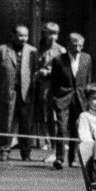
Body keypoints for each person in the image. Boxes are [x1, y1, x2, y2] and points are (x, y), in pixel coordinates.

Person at [46, 33, 94, 170]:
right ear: (68, 45)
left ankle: (73, 159)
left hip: (80, 98)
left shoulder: (87, 58)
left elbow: (88, 80)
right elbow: (53, 82)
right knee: (61, 128)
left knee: (76, 129)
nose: (78, 48)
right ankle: (60, 158)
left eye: (80, 45)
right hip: (63, 97)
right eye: (74, 45)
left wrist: (87, 97)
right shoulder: (59, 60)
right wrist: (55, 98)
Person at [0, 24, 38, 161]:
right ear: (13, 35)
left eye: (26, 35)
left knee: (26, 123)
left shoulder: (32, 51)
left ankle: (26, 153)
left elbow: (35, 71)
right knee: (6, 121)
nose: (23, 38)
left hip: (26, 92)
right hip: (8, 90)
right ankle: (4, 149)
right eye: (20, 35)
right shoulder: (2, 50)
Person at [32, 23, 66, 156]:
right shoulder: (39, 49)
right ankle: (43, 141)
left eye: (55, 33)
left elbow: (63, 70)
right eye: (50, 33)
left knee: (52, 115)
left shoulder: (60, 50)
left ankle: (55, 143)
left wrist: (48, 71)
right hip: (40, 85)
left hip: (53, 85)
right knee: (42, 113)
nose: (53, 36)